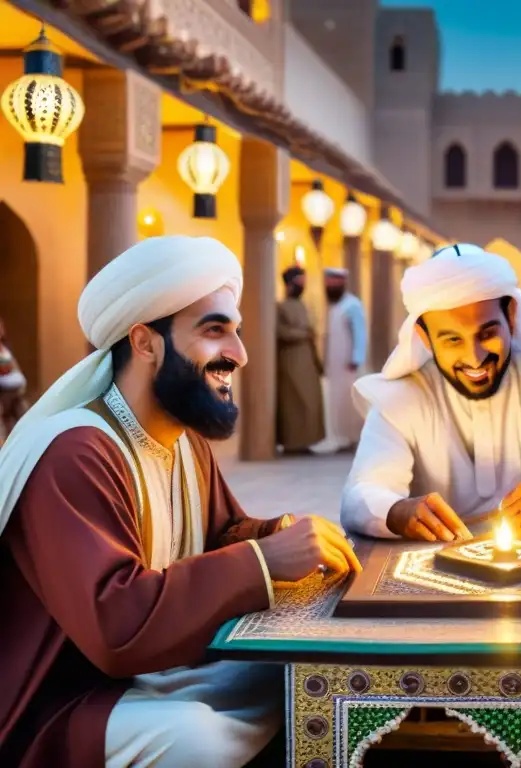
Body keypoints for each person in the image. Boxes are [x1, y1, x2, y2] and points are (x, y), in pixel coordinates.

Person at [0, 236, 361, 768]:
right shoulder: (76, 452)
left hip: (152, 674)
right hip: (65, 699)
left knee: (298, 675)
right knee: (198, 741)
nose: (238, 353)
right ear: (145, 342)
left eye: (235, 332)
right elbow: (116, 628)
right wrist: (264, 561)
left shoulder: (182, 439)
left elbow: (220, 536)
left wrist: (277, 533)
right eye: (215, 330)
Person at [341, 244, 521, 541]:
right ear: (425, 338)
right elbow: (360, 495)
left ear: (512, 316)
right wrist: (399, 513)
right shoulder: (401, 399)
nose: (475, 357)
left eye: (488, 334)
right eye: (452, 340)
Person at [276, 266, 325, 453]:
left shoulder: (303, 305)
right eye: (299, 282)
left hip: (308, 360)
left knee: (309, 402)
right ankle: (292, 443)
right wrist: (304, 333)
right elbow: (281, 332)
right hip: (291, 361)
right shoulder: (280, 307)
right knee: (294, 403)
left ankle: (305, 442)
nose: (302, 286)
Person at [322, 267, 367, 451]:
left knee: (351, 402)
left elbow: (360, 333)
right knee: (337, 403)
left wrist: (356, 358)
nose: (330, 287)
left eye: (334, 283)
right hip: (335, 365)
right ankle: (341, 439)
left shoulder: (352, 305)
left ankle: (354, 439)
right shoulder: (334, 307)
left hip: (349, 365)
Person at [0, 317, 29, 442]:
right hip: (2, 393)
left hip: (14, 394)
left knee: (24, 413)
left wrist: (20, 382)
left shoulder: (5, 349)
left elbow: (15, 369)